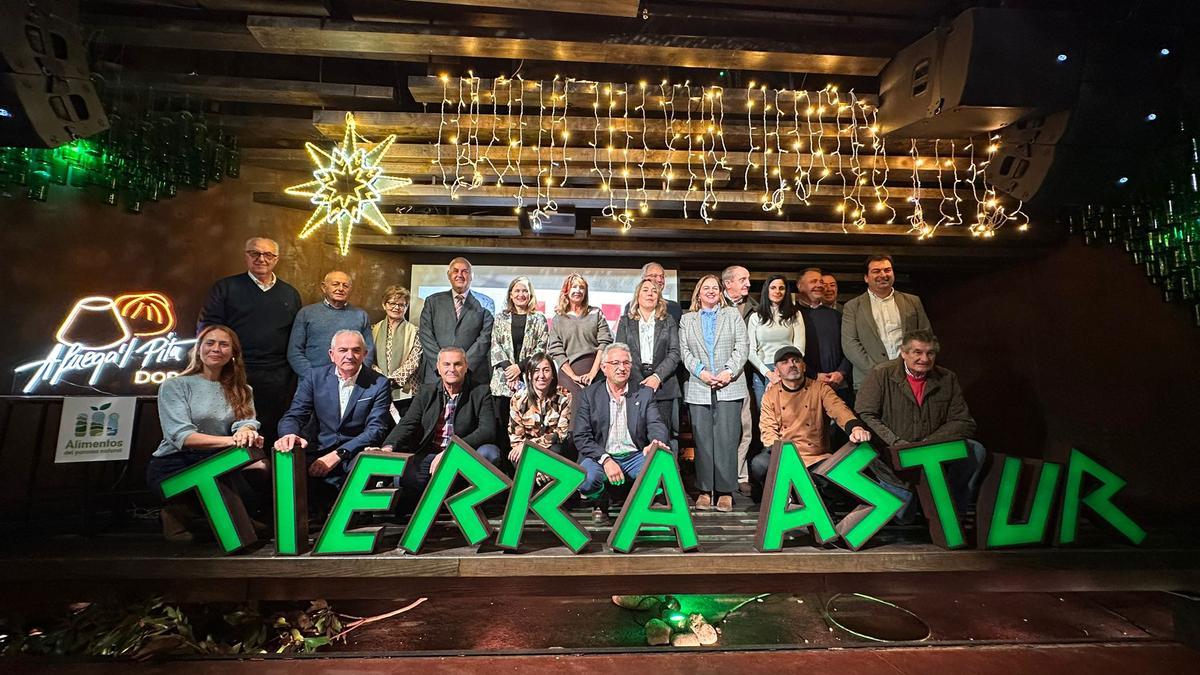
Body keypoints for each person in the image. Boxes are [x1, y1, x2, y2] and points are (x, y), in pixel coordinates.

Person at [751, 346, 911, 512]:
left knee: (834, 475)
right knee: (759, 465)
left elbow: (839, 409)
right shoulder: (771, 395)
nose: (792, 365)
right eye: (785, 362)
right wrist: (781, 454)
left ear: (804, 366)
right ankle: (783, 501)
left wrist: (855, 427)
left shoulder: (819, 389)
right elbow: (767, 429)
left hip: (816, 456)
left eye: (796, 361)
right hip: (785, 455)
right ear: (777, 370)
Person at [148, 325, 263, 541]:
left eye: (224, 344)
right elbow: (182, 437)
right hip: (176, 462)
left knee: (262, 466)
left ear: (233, 354)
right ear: (199, 349)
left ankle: (227, 517)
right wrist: (232, 441)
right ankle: (178, 513)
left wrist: (247, 431)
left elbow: (246, 421)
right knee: (225, 478)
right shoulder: (175, 385)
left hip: (217, 459)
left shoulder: (243, 389)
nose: (216, 348)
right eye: (210, 343)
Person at [855, 329, 985, 510]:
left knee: (975, 450)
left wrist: (927, 445)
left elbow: (963, 421)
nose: (924, 359)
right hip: (893, 454)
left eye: (930, 353)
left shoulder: (947, 378)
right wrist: (897, 443)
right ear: (903, 353)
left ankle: (952, 511)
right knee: (903, 515)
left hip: (932, 452)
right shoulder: (880, 374)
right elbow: (865, 415)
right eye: (917, 352)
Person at [198, 237, 300, 448]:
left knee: (270, 431)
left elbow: (295, 336)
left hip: (276, 378)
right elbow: (208, 329)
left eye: (268, 254)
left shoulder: (289, 293)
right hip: (233, 373)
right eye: (255, 253)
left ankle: (264, 476)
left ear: (276, 259)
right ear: (246, 256)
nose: (261, 259)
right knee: (233, 432)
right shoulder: (226, 288)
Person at [275, 330, 392, 512]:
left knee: (363, 468)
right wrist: (289, 434)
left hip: (354, 453)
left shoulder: (379, 383)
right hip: (319, 449)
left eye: (356, 350)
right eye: (343, 350)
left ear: (365, 354)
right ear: (332, 354)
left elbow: (375, 429)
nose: (349, 356)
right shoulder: (314, 378)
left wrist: (339, 454)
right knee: (286, 459)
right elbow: (294, 415)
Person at [376, 346, 501, 501]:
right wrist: (389, 446)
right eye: (446, 364)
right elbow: (408, 423)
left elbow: (487, 431)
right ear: (438, 367)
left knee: (490, 453)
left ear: (466, 366)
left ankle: (469, 500)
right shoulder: (426, 392)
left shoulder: (481, 392)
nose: (452, 369)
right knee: (407, 478)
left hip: (464, 454)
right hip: (432, 454)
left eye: (457, 364)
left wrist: (451, 451)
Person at [572, 343, 670, 521]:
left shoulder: (644, 393)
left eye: (626, 363)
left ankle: (648, 506)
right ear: (604, 367)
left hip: (634, 455)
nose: (621, 368)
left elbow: (656, 423)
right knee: (587, 480)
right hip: (600, 455)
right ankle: (600, 501)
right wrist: (606, 459)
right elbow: (581, 436)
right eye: (616, 363)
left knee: (661, 469)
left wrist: (655, 442)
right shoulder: (589, 394)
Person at [680, 273, 748, 512]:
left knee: (727, 440)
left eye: (714, 288)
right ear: (698, 292)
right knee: (703, 442)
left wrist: (728, 372)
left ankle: (725, 491)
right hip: (700, 386)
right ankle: (705, 490)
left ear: (720, 292)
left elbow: (743, 345)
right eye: (705, 287)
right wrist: (702, 373)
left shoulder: (732, 315)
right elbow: (685, 351)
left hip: (730, 385)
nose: (710, 291)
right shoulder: (687, 320)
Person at [841, 254, 931, 390]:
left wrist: (913, 364)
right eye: (876, 271)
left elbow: (925, 335)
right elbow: (850, 344)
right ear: (866, 277)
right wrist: (878, 371)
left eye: (887, 270)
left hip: (911, 375)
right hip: (870, 378)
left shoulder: (913, 301)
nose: (883, 275)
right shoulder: (852, 306)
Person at [615, 278, 681, 453]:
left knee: (661, 438)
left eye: (654, 290)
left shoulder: (668, 321)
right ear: (637, 295)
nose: (650, 293)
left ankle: (660, 479)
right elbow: (620, 353)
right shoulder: (625, 322)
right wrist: (639, 380)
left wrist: (656, 377)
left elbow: (675, 353)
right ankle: (638, 477)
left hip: (663, 386)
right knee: (636, 435)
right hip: (634, 385)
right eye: (645, 290)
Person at [418, 257, 494, 383]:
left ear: (471, 276)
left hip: (472, 374)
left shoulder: (485, 303)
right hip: (436, 374)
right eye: (455, 271)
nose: (460, 275)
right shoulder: (432, 301)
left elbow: (486, 337)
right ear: (449, 275)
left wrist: (463, 365)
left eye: (465, 271)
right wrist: (443, 365)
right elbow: (425, 334)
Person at [288, 271, 375, 379]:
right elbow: (294, 351)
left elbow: (368, 351)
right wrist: (312, 376)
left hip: (351, 382)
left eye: (345, 286)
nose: (340, 289)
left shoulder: (361, 316)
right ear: (324, 287)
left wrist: (356, 375)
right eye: (335, 284)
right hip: (312, 381)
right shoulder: (306, 313)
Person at [547, 273, 613, 412]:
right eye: (574, 287)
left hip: (596, 373)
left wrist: (592, 373)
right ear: (566, 291)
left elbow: (605, 343)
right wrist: (573, 377)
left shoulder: (596, 313)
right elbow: (556, 350)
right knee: (570, 419)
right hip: (568, 376)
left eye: (581, 287)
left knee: (595, 417)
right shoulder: (558, 319)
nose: (578, 290)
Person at [489, 276, 549, 429]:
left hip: (528, 377)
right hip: (503, 380)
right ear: (510, 294)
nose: (520, 294)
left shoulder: (539, 319)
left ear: (530, 295)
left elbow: (541, 348)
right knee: (502, 426)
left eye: (525, 291)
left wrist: (519, 368)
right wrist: (510, 370)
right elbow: (496, 345)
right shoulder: (500, 317)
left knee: (526, 425)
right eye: (517, 291)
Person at [721, 264, 758, 496]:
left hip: (746, 374)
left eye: (748, 279)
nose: (748, 284)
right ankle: (723, 475)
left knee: (746, 427)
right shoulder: (714, 304)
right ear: (728, 284)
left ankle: (740, 474)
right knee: (724, 430)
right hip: (716, 377)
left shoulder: (754, 307)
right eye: (743, 279)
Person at [746, 274, 805, 406]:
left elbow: (799, 348)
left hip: (789, 369)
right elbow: (750, 351)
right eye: (773, 288)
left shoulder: (795, 315)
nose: (777, 291)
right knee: (766, 417)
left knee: (789, 415)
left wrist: (783, 371)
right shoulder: (756, 317)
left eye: (781, 288)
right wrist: (769, 374)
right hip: (763, 371)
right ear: (767, 290)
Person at [796, 268, 852, 400]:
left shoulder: (837, 316)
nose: (819, 285)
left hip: (838, 385)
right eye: (813, 281)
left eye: (820, 282)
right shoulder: (791, 315)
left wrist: (841, 373)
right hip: (804, 386)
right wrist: (814, 375)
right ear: (800, 286)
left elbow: (850, 347)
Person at [508, 352, 573, 463]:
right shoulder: (517, 399)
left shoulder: (565, 397)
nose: (541, 376)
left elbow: (560, 435)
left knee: (557, 450)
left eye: (546, 370)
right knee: (516, 457)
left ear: (553, 375)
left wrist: (529, 445)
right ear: (529, 375)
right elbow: (516, 438)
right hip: (528, 453)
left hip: (553, 449)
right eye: (536, 371)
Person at [370, 285, 422, 420]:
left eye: (401, 304)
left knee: (403, 426)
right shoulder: (373, 329)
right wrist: (382, 378)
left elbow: (415, 360)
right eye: (392, 303)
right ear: (384, 304)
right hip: (378, 386)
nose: (396, 307)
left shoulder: (415, 331)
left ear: (406, 307)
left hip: (406, 389)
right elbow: (369, 357)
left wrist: (393, 379)